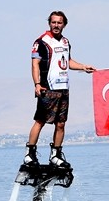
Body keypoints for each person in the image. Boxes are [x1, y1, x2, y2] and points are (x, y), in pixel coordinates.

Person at [23, 11, 95, 170]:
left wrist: (83, 67)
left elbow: (68, 61)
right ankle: (30, 154)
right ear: (49, 23)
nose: (56, 25)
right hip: (47, 88)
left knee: (61, 124)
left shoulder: (65, 42)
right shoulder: (41, 42)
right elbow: (35, 64)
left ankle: (55, 155)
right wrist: (37, 83)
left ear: (64, 24)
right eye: (53, 22)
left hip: (63, 88)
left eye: (59, 22)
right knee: (40, 121)